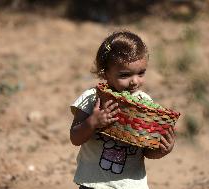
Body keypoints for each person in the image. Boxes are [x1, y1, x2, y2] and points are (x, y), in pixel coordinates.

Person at [70, 30, 176, 189]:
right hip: (94, 184)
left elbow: (146, 151)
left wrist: (162, 150)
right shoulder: (93, 98)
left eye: (141, 73)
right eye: (125, 75)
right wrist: (92, 122)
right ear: (105, 73)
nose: (135, 81)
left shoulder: (144, 104)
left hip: (130, 185)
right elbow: (75, 138)